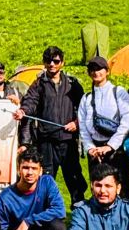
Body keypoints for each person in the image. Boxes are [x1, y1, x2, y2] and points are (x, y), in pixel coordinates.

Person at [15, 45, 87, 205]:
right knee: (46, 179)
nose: (52, 64)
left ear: (62, 62)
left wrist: (77, 123)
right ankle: (45, 211)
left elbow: (84, 107)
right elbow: (30, 101)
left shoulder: (72, 83)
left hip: (68, 140)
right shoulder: (39, 83)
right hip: (46, 141)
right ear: (44, 62)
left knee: (74, 178)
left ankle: (78, 211)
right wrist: (23, 110)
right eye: (48, 61)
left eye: (56, 61)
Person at [78, 55, 129, 200]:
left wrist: (110, 146)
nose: (96, 72)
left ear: (107, 71)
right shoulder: (86, 98)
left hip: (116, 151)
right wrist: (90, 148)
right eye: (92, 69)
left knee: (120, 189)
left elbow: (127, 120)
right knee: (99, 190)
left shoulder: (119, 92)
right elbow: (83, 126)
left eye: (99, 69)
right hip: (94, 152)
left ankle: (124, 220)